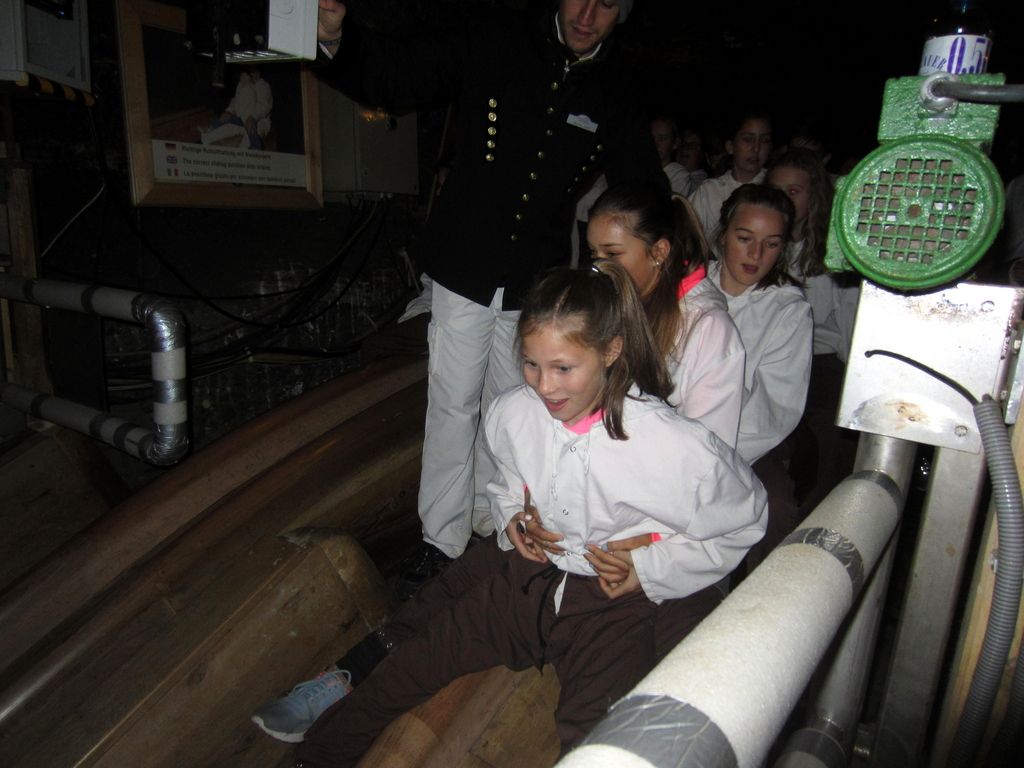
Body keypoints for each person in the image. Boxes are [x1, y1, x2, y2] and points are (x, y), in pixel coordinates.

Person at [279, 261, 766, 766]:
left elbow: (746, 519)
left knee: (594, 736)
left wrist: (650, 569)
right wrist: (512, 517)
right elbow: (509, 482)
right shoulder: (514, 411)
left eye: (563, 368)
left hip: (610, 606)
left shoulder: (670, 446)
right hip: (526, 582)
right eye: (532, 364)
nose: (545, 386)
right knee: (406, 671)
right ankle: (315, 758)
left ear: (611, 351)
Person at [315, 0, 668, 600]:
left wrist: (671, 261)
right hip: (464, 261)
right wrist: (335, 37)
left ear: (624, 12)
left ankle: (492, 518)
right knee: (453, 403)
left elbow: (643, 186)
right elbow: (398, 74)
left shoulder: (616, 86)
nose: (588, 13)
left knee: (515, 406)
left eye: (607, 2)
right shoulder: (496, 38)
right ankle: (442, 538)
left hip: (535, 279)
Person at [586, 181, 745, 447]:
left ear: (658, 252)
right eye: (594, 254)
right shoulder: (613, 302)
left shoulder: (708, 328)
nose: (599, 267)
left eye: (612, 253)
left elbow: (708, 444)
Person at [706, 183, 813, 571]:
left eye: (771, 244)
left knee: (775, 509)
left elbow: (775, 407)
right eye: (744, 238)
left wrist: (709, 457)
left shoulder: (788, 309)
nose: (755, 255)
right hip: (670, 431)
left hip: (743, 444)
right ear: (723, 234)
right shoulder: (687, 287)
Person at [766, 147, 859, 512]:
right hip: (772, 360)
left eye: (794, 191)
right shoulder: (764, 245)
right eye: (777, 191)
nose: (784, 201)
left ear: (814, 196)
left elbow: (849, 326)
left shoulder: (832, 253)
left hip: (819, 363)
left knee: (826, 444)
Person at [689, 109, 773, 240]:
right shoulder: (709, 192)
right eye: (748, 139)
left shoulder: (775, 186)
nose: (756, 148)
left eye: (765, 140)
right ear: (730, 146)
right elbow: (687, 234)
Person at [199, 68, 273, 149]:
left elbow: (264, 105)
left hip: (257, 122)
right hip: (239, 119)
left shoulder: (262, 86)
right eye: (242, 76)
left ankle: (253, 148)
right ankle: (211, 131)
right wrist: (229, 111)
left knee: (250, 133)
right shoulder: (241, 85)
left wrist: (253, 117)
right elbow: (235, 101)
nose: (242, 78)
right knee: (223, 120)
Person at [650, 115, 693, 196]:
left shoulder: (678, 175)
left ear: (675, 143)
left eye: (662, 139)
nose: (655, 144)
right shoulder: (640, 168)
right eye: (651, 138)